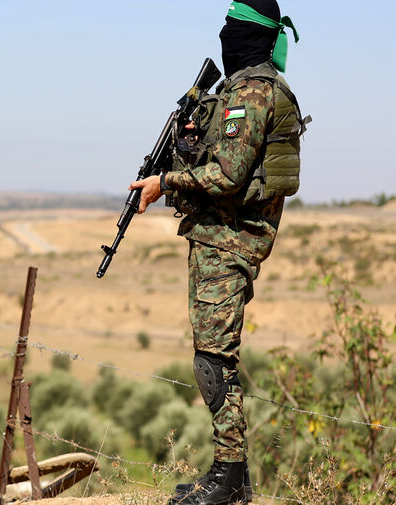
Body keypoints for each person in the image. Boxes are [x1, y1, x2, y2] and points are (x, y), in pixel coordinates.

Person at [129, 2, 304, 504]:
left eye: (233, 30)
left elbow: (227, 176)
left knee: (213, 359)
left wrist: (165, 181)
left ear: (248, 34)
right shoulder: (245, 88)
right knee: (214, 355)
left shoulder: (252, 91)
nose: (225, 38)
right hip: (220, 237)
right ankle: (235, 477)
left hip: (230, 240)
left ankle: (227, 477)